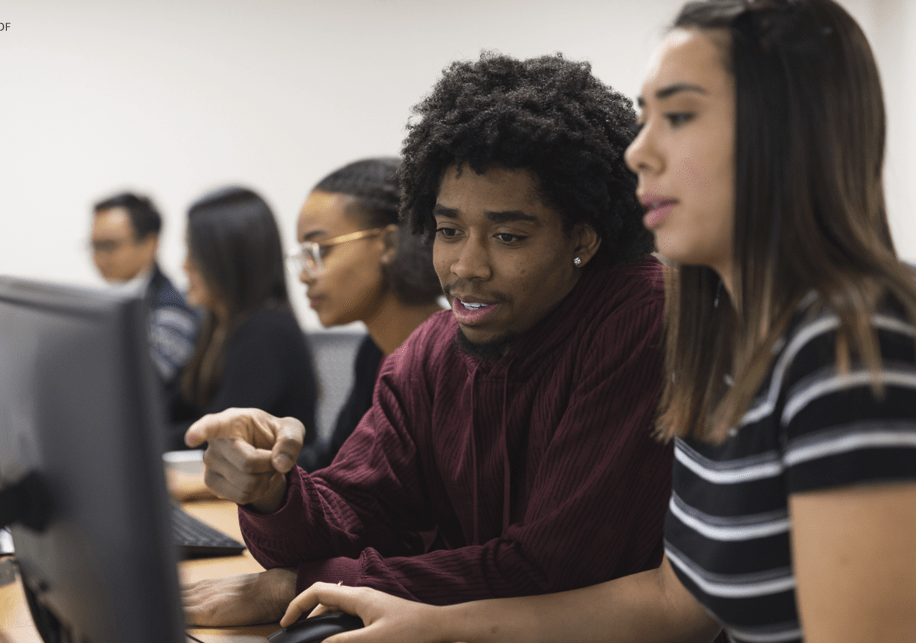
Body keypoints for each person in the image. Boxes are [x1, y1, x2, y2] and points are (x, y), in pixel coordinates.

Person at [279, 1, 916, 641]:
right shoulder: (725, 335)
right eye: (646, 119)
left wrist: (323, 584)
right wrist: (435, 625)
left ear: (785, 137)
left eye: (680, 116)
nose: (640, 152)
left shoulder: (852, 343)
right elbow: (676, 603)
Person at [181, 51, 673, 627]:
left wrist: (306, 585)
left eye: (508, 236)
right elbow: (358, 511)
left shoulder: (642, 316)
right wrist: (272, 491)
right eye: (448, 231)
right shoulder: (431, 352)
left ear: (583, 239)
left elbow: (550, 569)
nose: (466, 265)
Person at [292, 157, 443, 471]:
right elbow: (336, 460)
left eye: (320, 249)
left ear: (388, 243)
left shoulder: (451, 362)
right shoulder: (374, 350)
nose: (304, 275)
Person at [168, 186, 318, 452]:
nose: (184, 265)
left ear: (227, 259)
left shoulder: (268, 333)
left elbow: (214, 435)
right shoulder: (216, 325)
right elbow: (177, 406)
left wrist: (132, 440)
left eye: (194, 253)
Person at [90, 192, 198, 412]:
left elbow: (137, 388)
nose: (99, 257)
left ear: (150, 244)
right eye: (94, 245)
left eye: (109, 245)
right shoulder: (111, 301)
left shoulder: (171, 313)